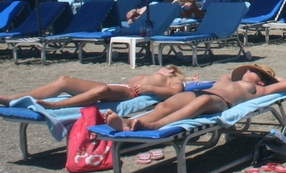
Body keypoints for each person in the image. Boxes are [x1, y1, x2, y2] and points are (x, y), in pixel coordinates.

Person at [104, 65, 286, 131]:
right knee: (166, 105)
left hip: (220, 101)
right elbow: (227, 75)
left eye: (253, 71)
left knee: (203, 102)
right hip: (202, 93)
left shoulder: (259, 90)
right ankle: (128, 123)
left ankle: (155, 126)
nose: (247, 71)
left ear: (262, 81)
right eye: (247, 69)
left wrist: (274, 79)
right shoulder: (228, 80)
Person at [0, 66, 186, 108]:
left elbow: (175, 92)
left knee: (102, 91)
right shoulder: (153, 75)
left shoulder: (172, 79)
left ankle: (55, 105)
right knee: (64, 80)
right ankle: (16, 97)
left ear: (170, 70)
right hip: (119, 86)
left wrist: (150, 90)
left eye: (163, 67)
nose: (160, 68)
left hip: (129, 93)